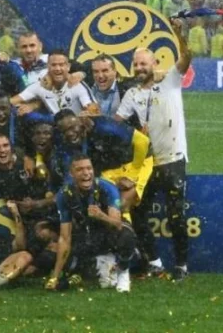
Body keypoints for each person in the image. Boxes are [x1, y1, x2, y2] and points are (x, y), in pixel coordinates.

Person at [118, 20, 193, 281]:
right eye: (136, 64)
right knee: (137, 210)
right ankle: (155, 262)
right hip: (148, 162)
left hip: (173, 158)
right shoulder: (131, 94)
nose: (139, 68)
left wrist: (179, 33)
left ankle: (182, 266)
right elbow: (117, 124)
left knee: (175, 215)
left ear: (154, 64)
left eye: (144, 64)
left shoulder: (170, 80)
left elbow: (187, 57)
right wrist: (134, 132)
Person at [46, 154, 136, 293]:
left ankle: (123, 273)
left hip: (109, 233)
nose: (86, 173)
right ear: (71, 174)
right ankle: (103, 263)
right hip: (87, 236)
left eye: (89, 168)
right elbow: (65, 237)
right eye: (80, 169)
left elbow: (117, 225)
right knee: (63, 261)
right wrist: (55, 277)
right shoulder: (64, 195)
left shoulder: (107, 188)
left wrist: (101, 216)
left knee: (126, 235)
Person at [54, 110, 152, 214]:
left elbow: (143, 142)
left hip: (137, 161)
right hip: (108, 170)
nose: (69, 133)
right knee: (102, 206)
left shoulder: (104, 126)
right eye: (64, 131)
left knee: (120, 204)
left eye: (72, 127)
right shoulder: (69, 144)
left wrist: (132, 175)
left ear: (81, 120)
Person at [11, 50, 94, 116]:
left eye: (61, 65)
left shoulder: (78, 85)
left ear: (68, 66)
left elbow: (93, 110)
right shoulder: (40, 86)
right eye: (53, 65)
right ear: (48, 66)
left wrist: (87, 115)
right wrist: (22, 107)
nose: (57, 68)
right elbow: (12, 101)